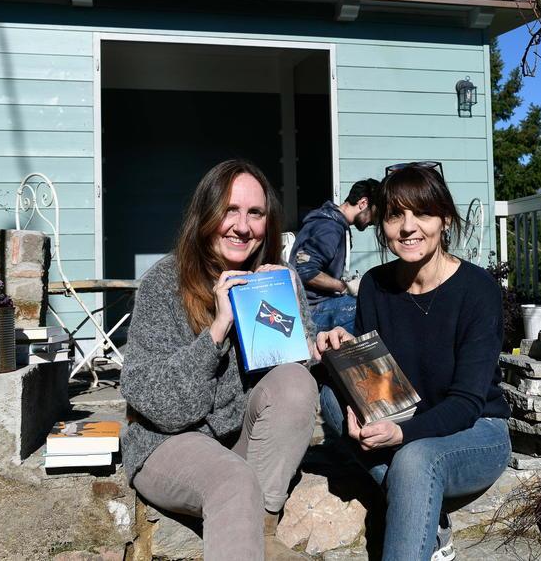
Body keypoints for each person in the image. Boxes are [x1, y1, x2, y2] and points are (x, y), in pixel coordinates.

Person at [120, 159, 318, 561]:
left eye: (255, 213)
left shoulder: (273, 281)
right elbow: (160, 406)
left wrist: (314, 348)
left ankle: (259, 530)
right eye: (230, 210)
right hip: (167, 444)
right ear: (205, 214)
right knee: (232, 478)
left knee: (297, 382)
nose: (242, 227)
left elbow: (291, 379)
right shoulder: (165, 282)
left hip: (239, 441)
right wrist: (218, 329)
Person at [314, 163, 511, 561]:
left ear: (444, 219)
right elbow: (382, 383)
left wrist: (402, 436)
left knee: (415, 460)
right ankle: (430, 514)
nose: (408, 227)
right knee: (331, 396)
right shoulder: (374, 285)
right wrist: (345, 352)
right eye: (394, 215)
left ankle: (416, 498)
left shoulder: (478, 290)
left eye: (421, 213)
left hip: (476, 429)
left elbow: (467, 403)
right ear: (381, 224)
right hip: (406, 415)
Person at [289, 179, 380, 335]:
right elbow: (304, 271)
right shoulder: (330, 228)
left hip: (318, 304)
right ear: (363, 203)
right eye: (375, 214)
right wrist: (344, 287)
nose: (373, 222)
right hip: (309, 310)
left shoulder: (335, 223)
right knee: (364, 309)